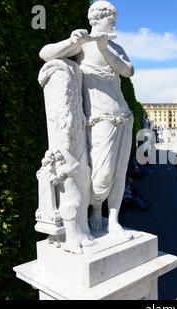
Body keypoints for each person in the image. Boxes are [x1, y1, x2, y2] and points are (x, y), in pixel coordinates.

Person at [39, 1, 135, 238]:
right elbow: (45, 54)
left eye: (114, 19)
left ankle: (113, 219)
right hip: (99, 118)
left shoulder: (115, 48)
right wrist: (72, 42)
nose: (113, 23)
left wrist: (105, 48)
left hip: (123, 115)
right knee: (101, 175)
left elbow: (128, 71)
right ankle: (95, 208)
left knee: (120, 172)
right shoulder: (82, 46)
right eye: (109, 19)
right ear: (95, 19)